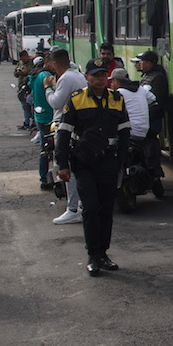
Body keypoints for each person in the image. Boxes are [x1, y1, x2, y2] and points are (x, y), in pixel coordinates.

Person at [55, 58, 130, 276]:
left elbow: (125, 132)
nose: (99, 79)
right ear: (86, 77)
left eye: (102, 75)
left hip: (108, 162)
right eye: (95, 75)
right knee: (90, 208)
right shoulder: (76, 99)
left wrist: (120, 161)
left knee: (106, 209)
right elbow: (64, 132)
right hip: (84, 163)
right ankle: (92, 254)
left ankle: (103, 253)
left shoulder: (117, 99)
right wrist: (62, 164)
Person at [45, 48, 86, 225]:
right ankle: (79, 207)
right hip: (77, 126)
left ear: (55, 63)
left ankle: (73, 209)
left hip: (65, 126)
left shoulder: (66, 78)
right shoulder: (76, 75)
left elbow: (56, 103)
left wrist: (47, 88)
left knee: (67, 168)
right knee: (75, 168)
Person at [133, 50, 167, 178]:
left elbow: (157, 102)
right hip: (145, 118)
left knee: (151, 145)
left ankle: (154, 171)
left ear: (149, 63)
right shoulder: (147, 76)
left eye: (143, 61)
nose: (140, 64)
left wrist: (145, 116)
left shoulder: (158, 78)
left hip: (152, 119)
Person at [30, 56, 55, 189]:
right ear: (47, 63)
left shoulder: (35, 75)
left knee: (44, 149)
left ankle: (44, 178)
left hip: (39, 115)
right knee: (50, 149)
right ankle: (47, 179)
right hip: (48, 116)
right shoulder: (47, 76)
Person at [13, 50, 34, 130]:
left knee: (30, 105)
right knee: (24, 106)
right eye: (22, 59)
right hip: (21, 86)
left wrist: (26, 72)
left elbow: (33, 72)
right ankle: (26, 122)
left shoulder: (31, 63)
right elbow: (15, 73)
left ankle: (32, 123)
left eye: (24, 59)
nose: (23, 60)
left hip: (29, 87)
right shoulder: (20, 63)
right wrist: (18, 72)